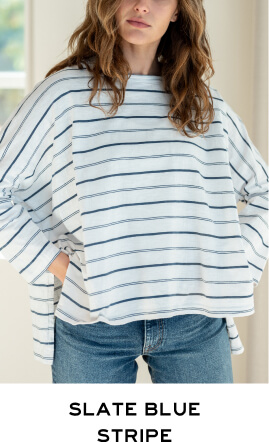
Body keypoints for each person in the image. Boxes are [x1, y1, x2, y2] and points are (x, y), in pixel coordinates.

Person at [0, 0, 268, 384]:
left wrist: (227, 260)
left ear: (178, 11)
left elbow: (264, 192)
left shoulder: (202, 104)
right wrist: (64, 268)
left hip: (193, 322)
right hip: (94, 324)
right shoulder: (64, 94)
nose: (142, 5)